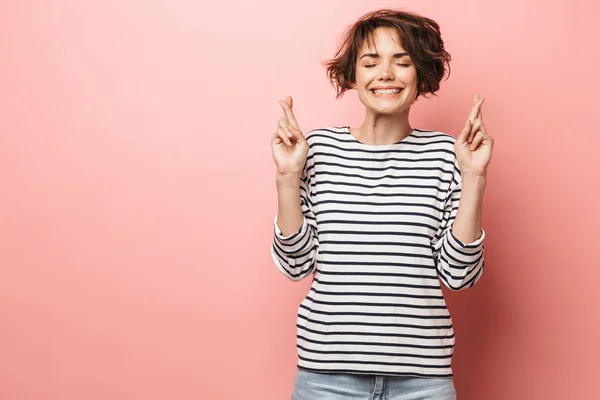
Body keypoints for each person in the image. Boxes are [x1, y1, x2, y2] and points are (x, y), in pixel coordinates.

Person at [270, 8, 493, 400]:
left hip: (422, 382)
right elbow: (295, 265)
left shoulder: (446, 156)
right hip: (326, 379)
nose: (385, 74)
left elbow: (459, 275)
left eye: (402, 62)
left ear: (421, 75)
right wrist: (287, 177)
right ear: (352, 76)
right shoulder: (318, 150)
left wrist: (474, 176)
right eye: (371, 62)